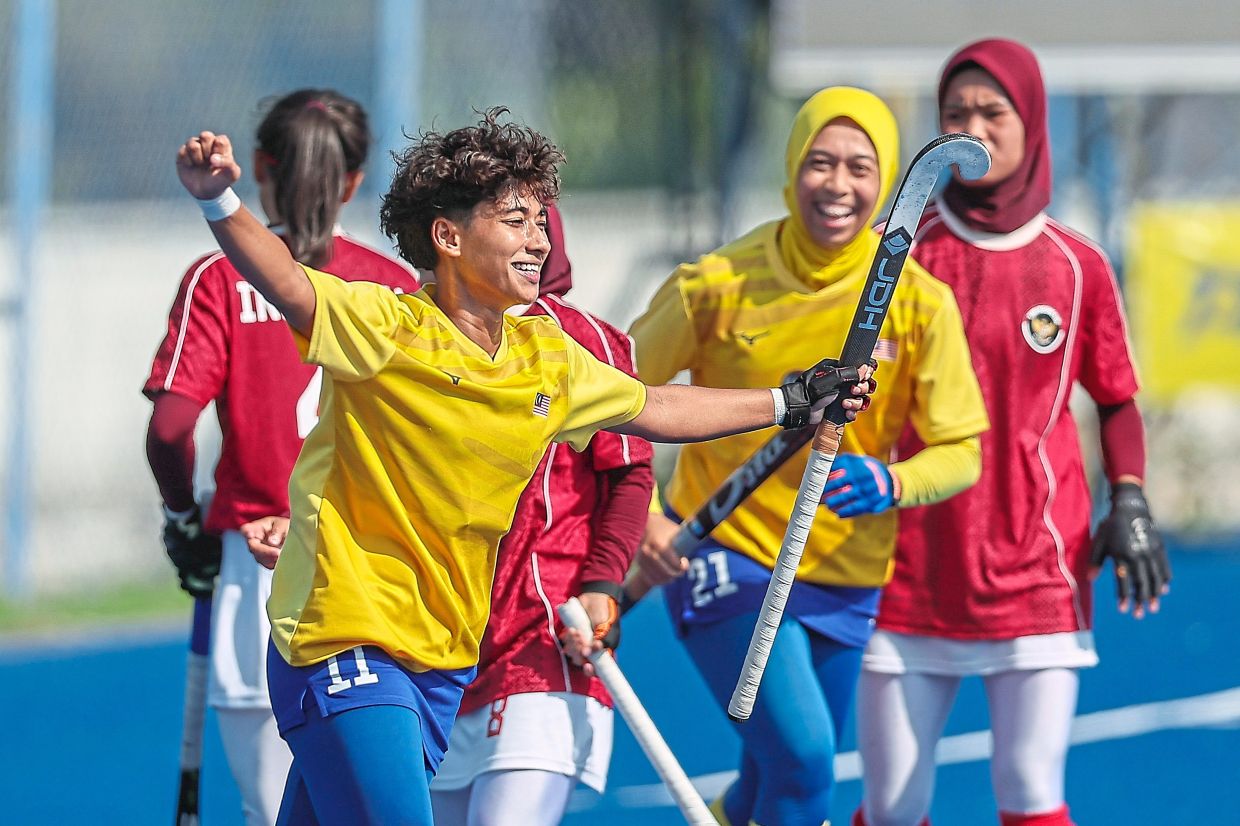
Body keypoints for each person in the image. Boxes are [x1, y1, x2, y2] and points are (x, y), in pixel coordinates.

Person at [173, 107, 875, 825]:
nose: (539, 239)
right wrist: (218, 198)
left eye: (541, 222)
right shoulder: (387, 326)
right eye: (515, 221)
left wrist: (791, 401)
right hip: (344, 637)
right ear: (448, 237)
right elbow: (289, 283)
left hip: (441, 657)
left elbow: (659, 408)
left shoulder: (547, 357)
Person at [629, 87, 989, 826]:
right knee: (804, 761)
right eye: (820, 162)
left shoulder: (920, 301)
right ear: (793, 168)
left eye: (860, 166)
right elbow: (609, 401)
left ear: (885, 179)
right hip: (722, 549)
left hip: (843, 571)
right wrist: (645, 517)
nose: (838, 184)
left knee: (770, 782)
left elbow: (962, 451)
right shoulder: (715, 285)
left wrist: (893, 481)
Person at [853, 39, 1171, 826]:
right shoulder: (894, 252)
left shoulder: (1075, 264)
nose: (972, 129)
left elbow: (1117, 400)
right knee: (892, 805)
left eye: (992, 112)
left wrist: (1130, 497)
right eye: (954, 113)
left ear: (1032, 121)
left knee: (1030, 790)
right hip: (904, 566)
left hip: (1037, 566)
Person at [144, 88, 419, 826]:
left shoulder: (218, 278)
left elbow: (170, 428)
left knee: (272, 812)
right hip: (372, 578)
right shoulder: (395, 287)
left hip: (258, 574)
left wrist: (184, 519)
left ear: (261, 167)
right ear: (355, 181)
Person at [429, 204, 654, 824]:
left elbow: (630, 471)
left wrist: (603, 585)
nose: (530, 238)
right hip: (435, 644)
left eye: (535, 223)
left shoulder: (582, 339)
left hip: (545, 637)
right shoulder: (417, 330)